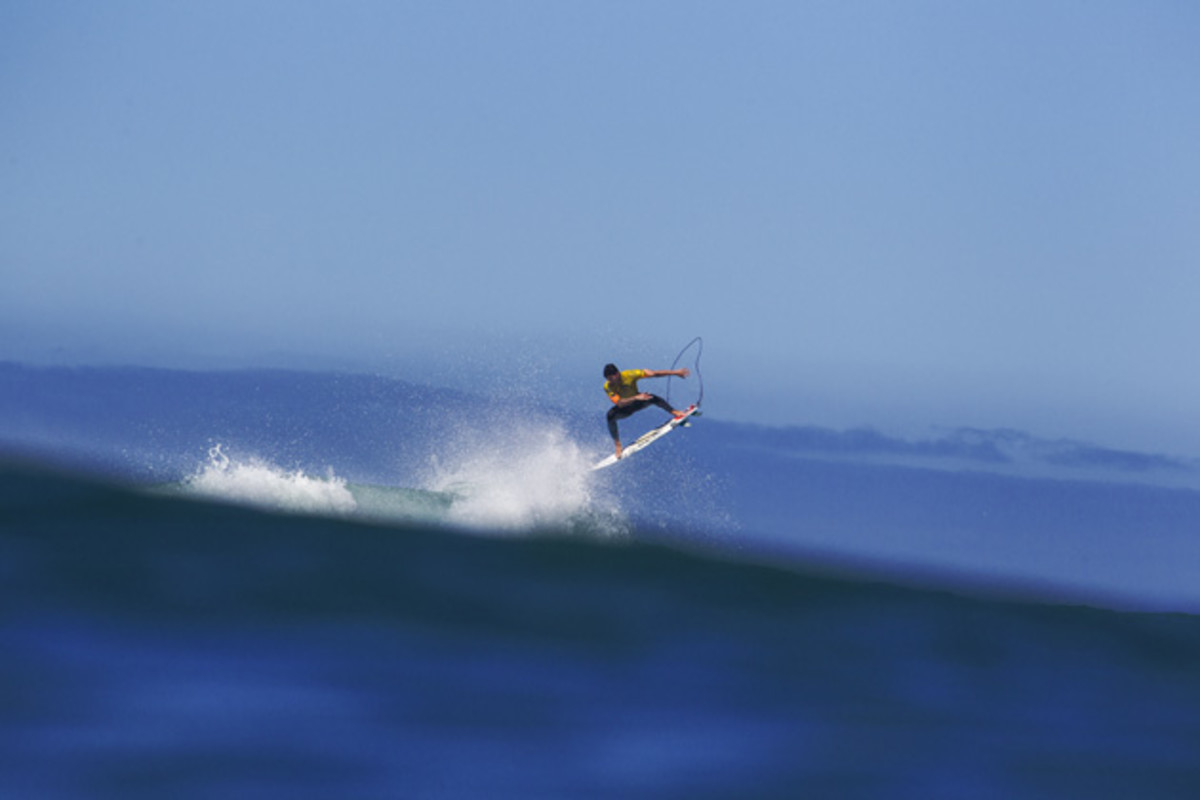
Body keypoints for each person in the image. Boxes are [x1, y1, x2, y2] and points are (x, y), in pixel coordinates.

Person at [603, 363, 691, 459]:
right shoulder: (608, 386)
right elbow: (619, 403)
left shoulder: (630, 374)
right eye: (608, 379)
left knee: (652, 398)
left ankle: (674, 411)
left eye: (611, 379)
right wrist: (636, 397)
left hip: (638, 402)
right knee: (610, 416)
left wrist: (676, 372)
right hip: (625, 408)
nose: (609, 381)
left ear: (617, 374)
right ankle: (617, 445)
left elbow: (655, 374)